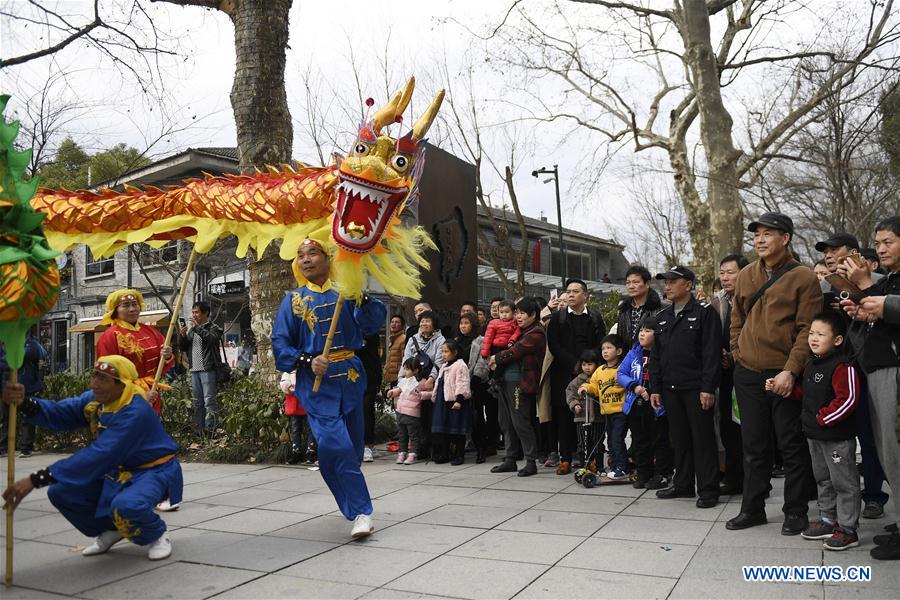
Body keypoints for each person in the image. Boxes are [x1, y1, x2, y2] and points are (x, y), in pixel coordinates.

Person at [1, 355, 182, 561]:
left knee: (126, 506)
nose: (95, 384)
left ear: (121, 384)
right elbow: (62, 412)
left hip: (153, 471)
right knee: (61, 492)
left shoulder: (135, 412)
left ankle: (156, 533)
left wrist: (37, 479)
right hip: (117, 470)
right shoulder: (96, 400)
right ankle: (112, 529)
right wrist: (26, 403)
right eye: (94, 376)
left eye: (103, 379)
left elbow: (99, 455)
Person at [272, 238, 386, 539]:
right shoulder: (293, 300)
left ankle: (349, 496)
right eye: (300, 255)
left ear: (328, 258)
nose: (305, 259)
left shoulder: (344, 292)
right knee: (335, 445)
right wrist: (307, 360)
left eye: (312, 253)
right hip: (316, 386)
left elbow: (373, 322)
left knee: (351, 448)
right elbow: (280, 343)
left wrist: (359, 295)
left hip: (349, 376)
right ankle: (362, 511)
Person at [726, 212, 821, 534]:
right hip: (749, 372)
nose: (760, 240)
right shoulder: (747, 274)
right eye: (757, 235)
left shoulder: (804, 277)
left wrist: (791, 371)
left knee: (791, 445)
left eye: (769, 234)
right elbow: (736, 318)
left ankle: (796, 511)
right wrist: (738, 352)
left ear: (786, 238)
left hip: (784, 375)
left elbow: (808, 328)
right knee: (754, 446)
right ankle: (752, 509)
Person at [841, 215, 900, 561]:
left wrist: (872, 291)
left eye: (888, 242)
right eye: (877, 243)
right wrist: (866, 312)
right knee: (887, 451)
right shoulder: (891, 278)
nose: (880, 248)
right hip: (879, 369)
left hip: (894, 372)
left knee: (895, 451)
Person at [777, 312, 861, 551]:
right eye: (811, 333)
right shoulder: (812, 363)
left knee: (844, 482)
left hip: (836, 437)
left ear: (837, 340)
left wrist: (825, 418)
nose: (813, 338)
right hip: (815, 436)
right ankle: (828, 519)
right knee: (823, 479)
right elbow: (807, 394)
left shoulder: (843, 365)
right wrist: (786, 391)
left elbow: (849, 398)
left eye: (821, 334)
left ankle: (848, 528)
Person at [652, 266, 722, 508]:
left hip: (696, 388)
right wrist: (656, 388)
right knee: (679, 439)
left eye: (673, 281)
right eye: (665, 282)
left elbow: (711, 354)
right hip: (671, 388)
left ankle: (708, 489)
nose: (667, 286)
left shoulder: (704, 313)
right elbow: (657, 356)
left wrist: (707, 387)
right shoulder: (662, 317)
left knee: (702, 439)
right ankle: (682, 484)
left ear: (688, 285)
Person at [546, 279, 606, 475]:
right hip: (564, 373)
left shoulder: (595, 318)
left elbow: (601, 344)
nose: (570, 294)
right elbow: (554, 345)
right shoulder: (558, 318)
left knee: (591, 417)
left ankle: (589, 458)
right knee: (564, 417)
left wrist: (588, 363)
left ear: (585, 295)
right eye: (568, 291)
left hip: (591, 374)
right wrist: (574, 364)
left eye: (575, 291)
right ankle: (566, 458)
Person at [489, 297, 547, 477]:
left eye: (522, 313)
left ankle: (530, 461)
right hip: (504, 381)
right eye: (517, 313)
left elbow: (516, 351)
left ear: (533, 315)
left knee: (520, 422)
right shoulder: (519, 331)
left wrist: (496, 358)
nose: (518, 317)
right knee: (505, 422)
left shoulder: (536, 333)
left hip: (520, 384)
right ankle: (510, 459)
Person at [95, 289, 174, 414]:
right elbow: (107, 375)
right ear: (115, 310)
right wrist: (140, 394)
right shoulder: (109, 336)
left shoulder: (151, 331)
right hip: (125, 398)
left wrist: (167, 356)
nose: (132, 309)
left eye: (135, 304)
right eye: (126, 305)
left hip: (152, 392)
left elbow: (163, 365)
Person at [618, 318, 672, 489]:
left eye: (648, 330)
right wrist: (634, 386)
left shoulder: (664, 353)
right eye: (641, 329)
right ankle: (643, 473)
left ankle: (662, 474)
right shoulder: (633, 352)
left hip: (657, 406)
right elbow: (621, 373)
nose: (642, 333)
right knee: (640, 440)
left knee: (659, 440)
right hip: (636, 402)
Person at [713, 254, 749, 495]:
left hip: (749, 371)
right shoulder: (718, 302)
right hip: (726, 374)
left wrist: (736, 357)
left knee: (750, 430)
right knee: (728, 427)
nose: (725, 277)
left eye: (731, 272)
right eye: (722, 273)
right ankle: (734, 478)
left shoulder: (753, 299)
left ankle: (755, 482)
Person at [581, 334, 629, 479]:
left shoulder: (622, 368)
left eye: (609, 348)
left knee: (617, 439)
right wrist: (585, 387)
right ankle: (615, 466)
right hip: (607, 412)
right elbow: (594, 386)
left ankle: (622, 467)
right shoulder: (600, 370)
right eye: (603, 348)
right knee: (610, 441)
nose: (605, 351)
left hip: (621, 411)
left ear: (619, 351)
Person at [402, 310, 446, 460]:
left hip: (431, 383)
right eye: (422, 321)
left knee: (430, 416)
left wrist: (431, 379)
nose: (424, 324)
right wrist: (403, 381)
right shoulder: (413, 339)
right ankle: (420, 448)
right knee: (416, 417)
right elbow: (406, 360)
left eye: (427, 321)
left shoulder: (440, 340)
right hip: (414, 382)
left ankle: (435, 448)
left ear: (434, 324)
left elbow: (440, 361)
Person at [177, 301, 223, 435]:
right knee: (197, 402)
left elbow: (212, 340)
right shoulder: (192, 330)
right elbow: (183, 347)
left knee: (209, 401)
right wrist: (182, 336)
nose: (194, 315)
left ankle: (210, 430)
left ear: (205, 313)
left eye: (196, 312)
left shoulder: (213, 328)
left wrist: (198, 328)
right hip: (194, 370)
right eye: (193, 312)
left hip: (208, 369)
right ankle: (198, 429)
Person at [0, 332, 47, 457]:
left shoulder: (32, 344)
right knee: (6, 418)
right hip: (8, 387)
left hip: (27, 387)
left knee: (28, 418)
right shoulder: (6, 344)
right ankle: (4, 448)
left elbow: (39, 354)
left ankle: (26, 447)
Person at [431, 339, 473, 465]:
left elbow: (463, 383)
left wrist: (459, 399)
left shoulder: (460, 365)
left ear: (454, 352)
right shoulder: (444, 366)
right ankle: (445, 453)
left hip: (454, 401)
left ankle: (459, 455)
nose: (443, 354)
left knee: (457, 429)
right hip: (442, 401)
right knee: (443, 429)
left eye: (446, 352)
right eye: (442, 352)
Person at [458, 312, 491, 463]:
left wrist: (474, 381)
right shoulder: (457, 341)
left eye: (466, 323)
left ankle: (481, 449)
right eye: (461, 323)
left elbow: (482, 363)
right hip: (460, 384)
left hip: (477, 384)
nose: (463, 326)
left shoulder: (481, 340)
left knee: (477, 417)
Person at [387, 358, 432, 465]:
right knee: (402, 435)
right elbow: (399, 390)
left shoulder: (422, 382)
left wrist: (422, 395)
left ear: (416, 370)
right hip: (401, 411)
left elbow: (431, 393)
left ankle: (413, 453)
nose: (404, 372)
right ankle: (402, 452)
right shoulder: (404, 381)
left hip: (412, 413)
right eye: (404, 369)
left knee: (413, 436)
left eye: (407, 369)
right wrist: (392, 392)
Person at [566, 349, 602, 471]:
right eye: (584, 364)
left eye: (590, 364)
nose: (587, 367)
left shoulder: (599, 377)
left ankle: (598, 465)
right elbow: (570, 393)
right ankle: (584, 465)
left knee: (597, 441)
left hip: (598, 417)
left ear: (596, 364)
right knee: (582, 442)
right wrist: (575, 404)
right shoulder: (577, 380)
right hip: (581, 417)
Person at [615, 266, 665, 346]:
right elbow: (620, 338)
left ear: (647, 284)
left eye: (636, 282)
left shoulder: (660, 309)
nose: (631, 286)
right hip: (628, 356)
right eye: (628, 282)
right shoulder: (624, 309)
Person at [279, 371, 316, 465]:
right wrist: (289, 387)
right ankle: (296, 451)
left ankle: (311, 452)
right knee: (295, 429)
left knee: (310, 428)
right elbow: (284, 382)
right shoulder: (289, 369)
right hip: (295, 402)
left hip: (307, 400)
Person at [358, 333, 383, 462]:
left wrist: (379, 379)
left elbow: (375, 358)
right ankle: (362, 444)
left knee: (367, 410)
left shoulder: (371, 333)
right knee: (361, 411)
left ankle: (368, 445)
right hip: (354, 375)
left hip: (370, 376)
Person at [384, 315, 407, 387]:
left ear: (402, 325)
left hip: (399, 378)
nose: (393, 324)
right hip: (392, 377)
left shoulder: (403, 339)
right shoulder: (393, 339)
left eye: (397, 322)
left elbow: (405, 358)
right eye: (392, 322)